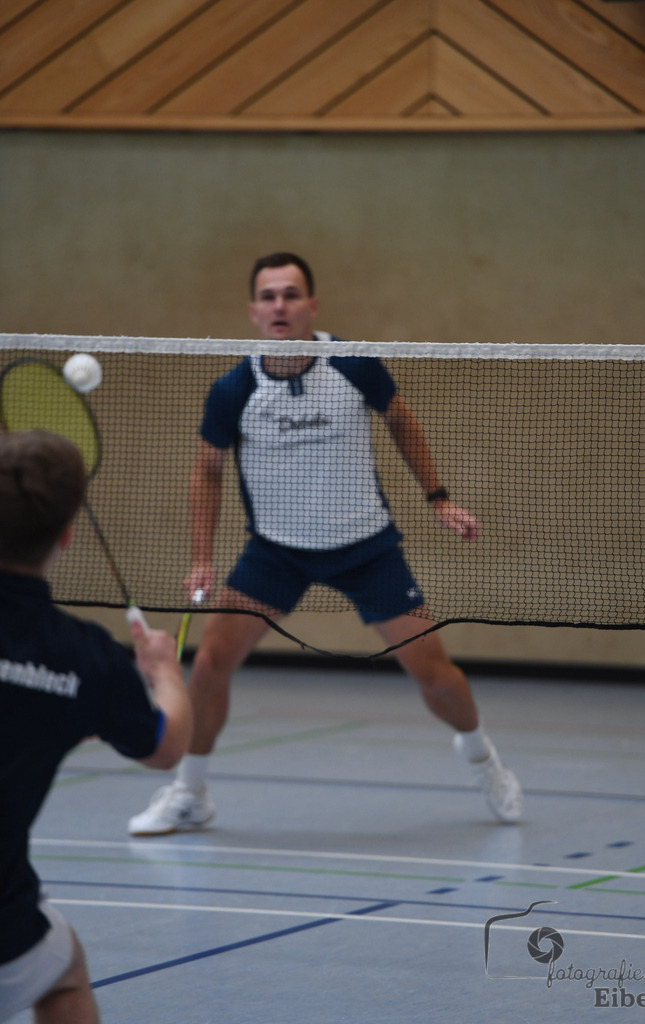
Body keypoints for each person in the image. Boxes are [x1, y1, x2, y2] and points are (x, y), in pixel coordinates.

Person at [128, 251, 522, 837]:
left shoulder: (354, 363)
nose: (279, 305)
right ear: (254, 312)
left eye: (290, 294)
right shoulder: (234, 389)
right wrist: (203, 558)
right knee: (209, 665)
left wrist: (437, 497)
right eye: (268, 296)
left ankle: (482, 759)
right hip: (275, 552)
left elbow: (400, 418)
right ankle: (189, 793)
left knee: (434, 673)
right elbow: (206, 470)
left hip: (367, 547)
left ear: (312, 305)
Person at [0, 430, 192, 1024]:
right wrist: (163, 671)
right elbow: (166, 747)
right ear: (65, 536)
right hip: (3, 925)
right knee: (63, 972)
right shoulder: (84, 660)